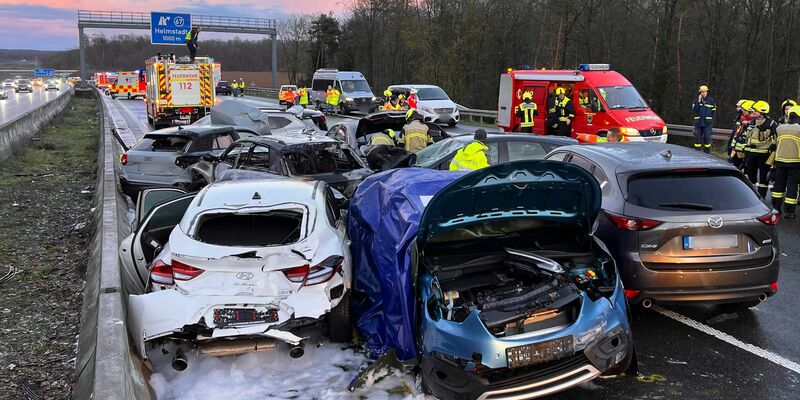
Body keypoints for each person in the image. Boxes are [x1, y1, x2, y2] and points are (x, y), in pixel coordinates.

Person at [743, 100, 778, 198]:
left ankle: (762, 198)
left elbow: (776, 138)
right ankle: (751, 197)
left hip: (764, 155)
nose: (753, 112)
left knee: (763, 179)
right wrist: (744, 150)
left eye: (755, 110)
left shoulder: (771, 124)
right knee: (750, 177)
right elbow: (747, 138)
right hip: (751, 154)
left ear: (762, 112)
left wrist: (773, 147)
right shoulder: (751, 122)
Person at [771, 105, 800, 218]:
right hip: (796, 162)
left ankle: (776, 208)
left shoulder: (780, 128)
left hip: (779, 161)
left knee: (778, 185)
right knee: (792, 186)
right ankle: (789, 211)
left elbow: (774, 144)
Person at [731, 99, 756, 170]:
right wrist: (733, 147)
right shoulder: (741, 119)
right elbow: (737, 134)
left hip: (746, 151)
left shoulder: (754, 123)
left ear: (750, 111)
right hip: (737, 149)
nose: (742, 111)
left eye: (744, 110)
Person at [692, 85, 717, 153]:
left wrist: (711, 121)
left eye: (705, 92)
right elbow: (695, 110)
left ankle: (707, 153)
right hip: (698, 123)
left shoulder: (711, 101)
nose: (704, 93)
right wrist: (699, 101)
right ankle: (697, 153)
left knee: (707, 138)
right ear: (700, 92)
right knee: (697, 139)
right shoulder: (696, 101)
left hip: (707, 124)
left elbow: (714, 112)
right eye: (702, 92)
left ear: (707, 92)